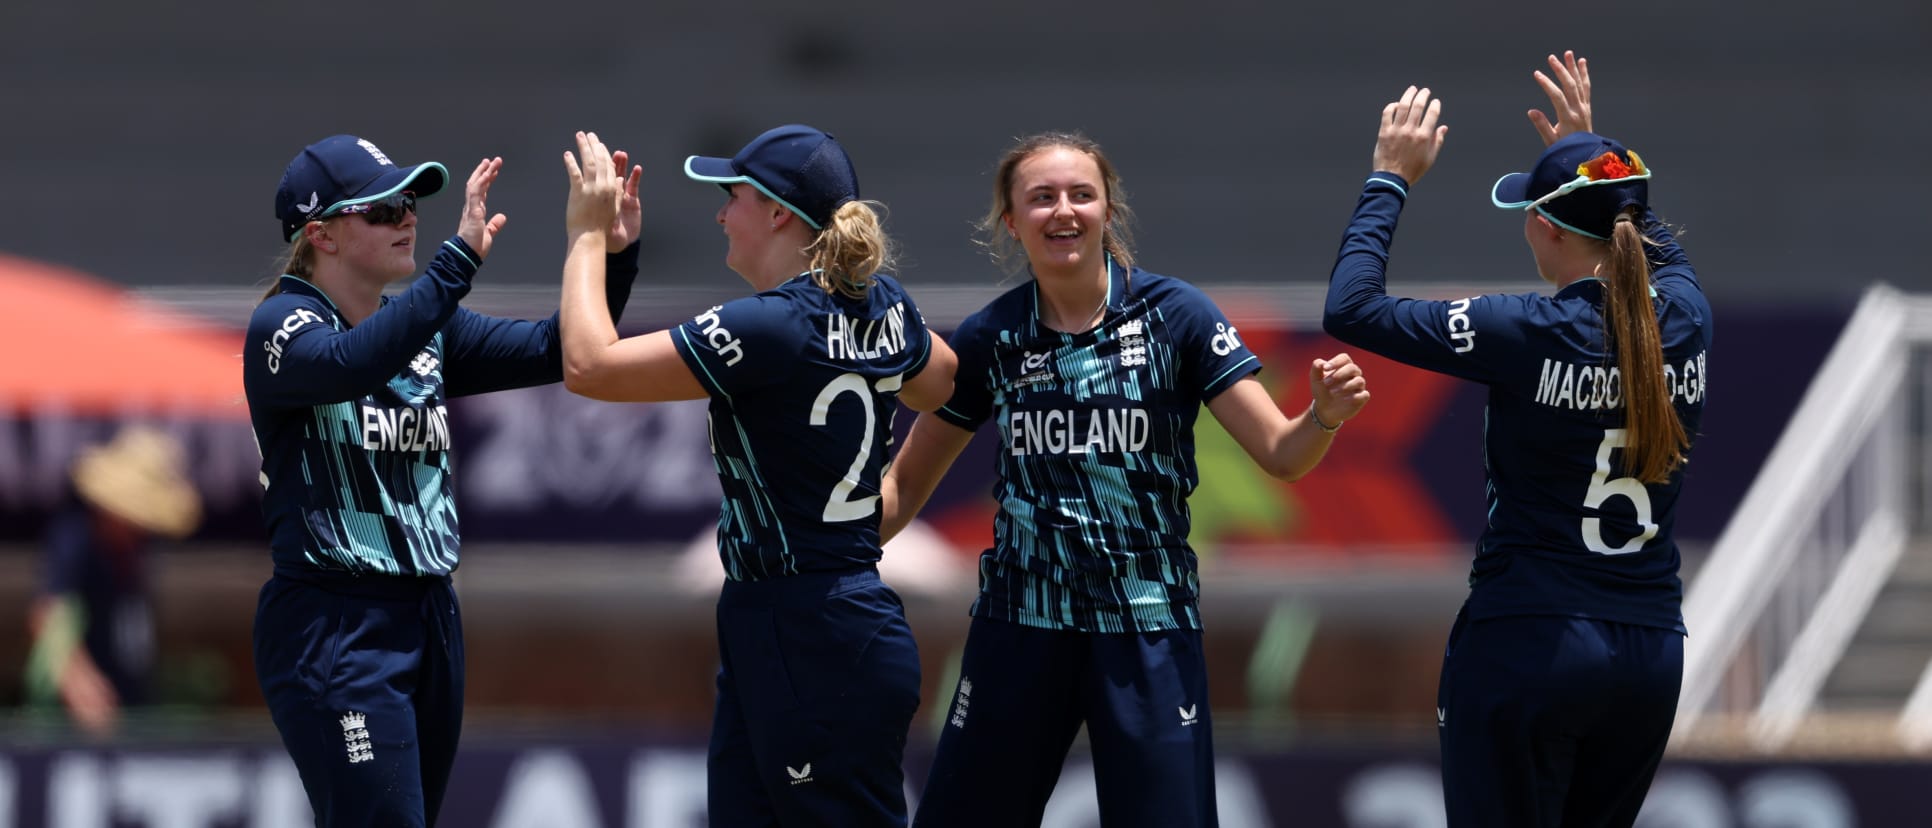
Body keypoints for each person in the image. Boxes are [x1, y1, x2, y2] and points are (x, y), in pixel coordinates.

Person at [880, 131, 1371, 827]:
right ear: (1011, 222)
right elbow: (898, 496)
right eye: (1041, 198)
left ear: (1109, 211)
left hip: (1147, 622)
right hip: (1021, 623)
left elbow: (1282, 454)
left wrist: (1322, 417)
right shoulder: (993, 336)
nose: (1064, 211)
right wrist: (807, 516)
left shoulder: (1179, 317)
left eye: (1082, 194)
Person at [1322, 53, 1709, 827]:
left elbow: (1351, 307)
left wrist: (1389, 179)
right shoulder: (1690, 317)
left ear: (1543, 224)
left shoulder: (1523, 328)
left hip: (1532, 640)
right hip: (1649, 652)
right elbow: (1644, 233)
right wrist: (1592, 149)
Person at [558, 126, 957, 826]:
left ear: (778, 212)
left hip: (810, 629)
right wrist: (887, 506)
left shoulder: (767, 325)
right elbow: (945, 383)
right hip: (806, 620)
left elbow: (589, 366)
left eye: (731, 196)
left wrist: (588, 236)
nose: (719, 213)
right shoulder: (883, 302)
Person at [244, 133, 641, 826]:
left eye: (411, 202)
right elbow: (349, 364)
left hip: (429, 615)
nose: (407, 217)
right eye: (383, 207)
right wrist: (456, 264)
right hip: (336, 625)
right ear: (321, 235)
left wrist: (607, 254)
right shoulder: (283, 325)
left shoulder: (424, 325)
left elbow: (560, 349)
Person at [26, 426, 201, 737]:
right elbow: (47, 613)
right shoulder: (75, 535)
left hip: (132, 706)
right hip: (76, 724)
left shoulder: (137, 548)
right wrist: (82, 687)